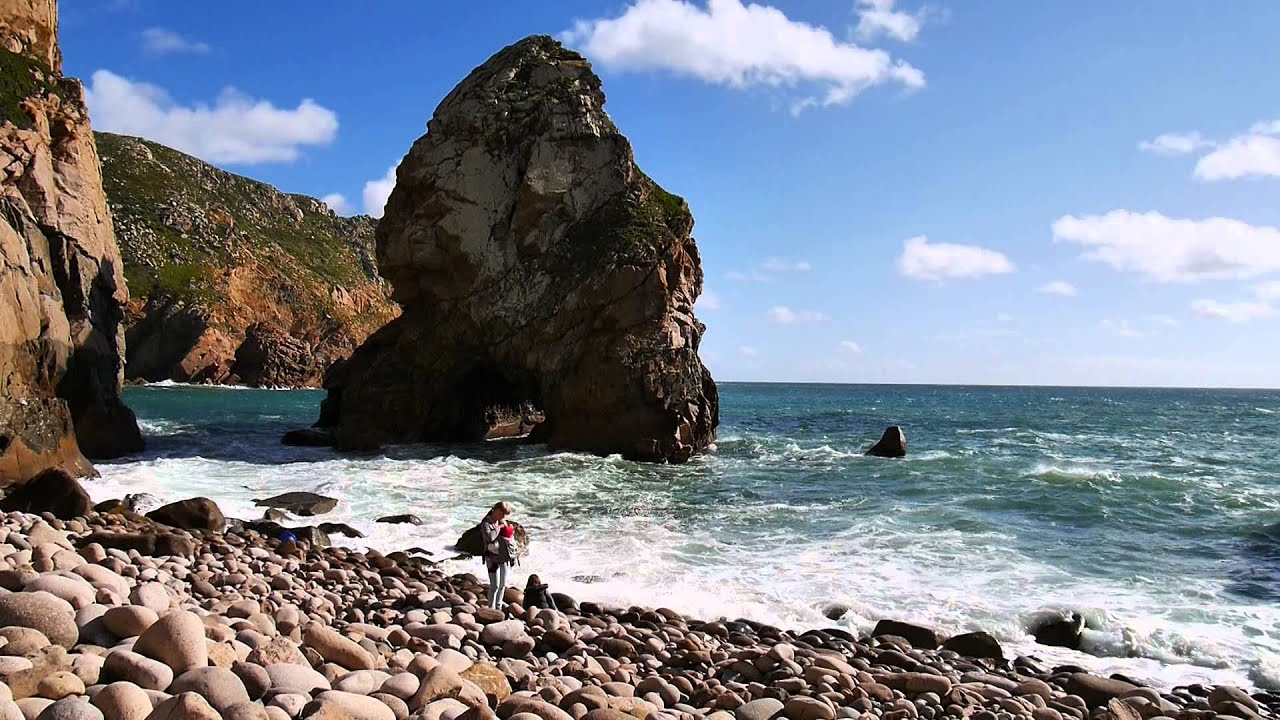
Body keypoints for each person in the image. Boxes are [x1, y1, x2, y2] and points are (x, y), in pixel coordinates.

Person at [480, 501, 515, 609]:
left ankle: (498, 607)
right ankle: (491, 608)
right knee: (494, 585)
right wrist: (499, 526)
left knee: (502, 584)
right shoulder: (486, 523)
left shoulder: (501, 521)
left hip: (503, 556)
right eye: (503, 514)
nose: (503, 517)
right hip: (492, 558)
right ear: (497, 510)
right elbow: (490, 538)